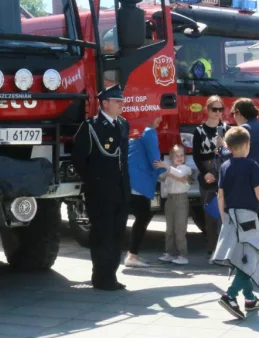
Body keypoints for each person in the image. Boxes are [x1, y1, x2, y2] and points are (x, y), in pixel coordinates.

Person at [212, 127, 259, 320]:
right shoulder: (251, 165)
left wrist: (224, 219)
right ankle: (230, 295)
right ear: (247, 144)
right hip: (248, 217)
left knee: (241, 258)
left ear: (229, 146)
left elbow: (220, 195)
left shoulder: (225, 166)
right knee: (252, 257)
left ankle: (249, 298)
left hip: (230, 216)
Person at [72, 85, 130, 291]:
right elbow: (79, 158)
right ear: (104, 103)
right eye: (117, 101)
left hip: (120, 190)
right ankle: (101, 277)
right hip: (100, 191)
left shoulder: (123, 124)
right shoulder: (91, 126)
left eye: (121, 101)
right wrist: (94, 182)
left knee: (117, 234)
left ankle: (111, 275)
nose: (121, 104)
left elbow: (122, 159)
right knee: (102, 234)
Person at [230, 98, 259, 278]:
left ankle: (252, 265)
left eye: (234, 113)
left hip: (248, 185)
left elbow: (236, 153)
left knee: (248, 227)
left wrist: (222, 148)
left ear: (240, 113)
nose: (233, 118)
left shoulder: (245, 130)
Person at [125, 117, 166, 268]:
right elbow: (155, 159)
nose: (160, 119)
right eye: (157, 115)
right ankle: (131, 255)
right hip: (139, 180)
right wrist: (171, 172)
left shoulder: (139, 130)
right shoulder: (149, 132)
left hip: (132, 178)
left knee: (141, 215)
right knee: (143, 216)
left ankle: (132, 254)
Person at [192, 96, 227, 253]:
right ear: (207, 110)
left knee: (225, 210)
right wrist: (205, 173)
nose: (218, 113)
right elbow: (196, 156)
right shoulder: (199, 131)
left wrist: (223, 145)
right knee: (210, 210)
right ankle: (213, 248)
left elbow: (233, 151)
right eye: (215, 109)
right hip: (207, 170)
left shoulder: (227, 128)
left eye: (221, 109)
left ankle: (225, 247)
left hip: (224, 169)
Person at [157, 145, 192, 265]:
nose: (179, 158)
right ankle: (170, 253)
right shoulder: (171, 169)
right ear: (171, 158)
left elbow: (180, 175)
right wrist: (164, 171)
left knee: (180, 229)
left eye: (182, 155)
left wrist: (167, 168)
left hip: (181, 199)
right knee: (169, 229)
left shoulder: (185, 168)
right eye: (176, 155)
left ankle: (183, 255)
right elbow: (160, 177)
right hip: (170, 199)